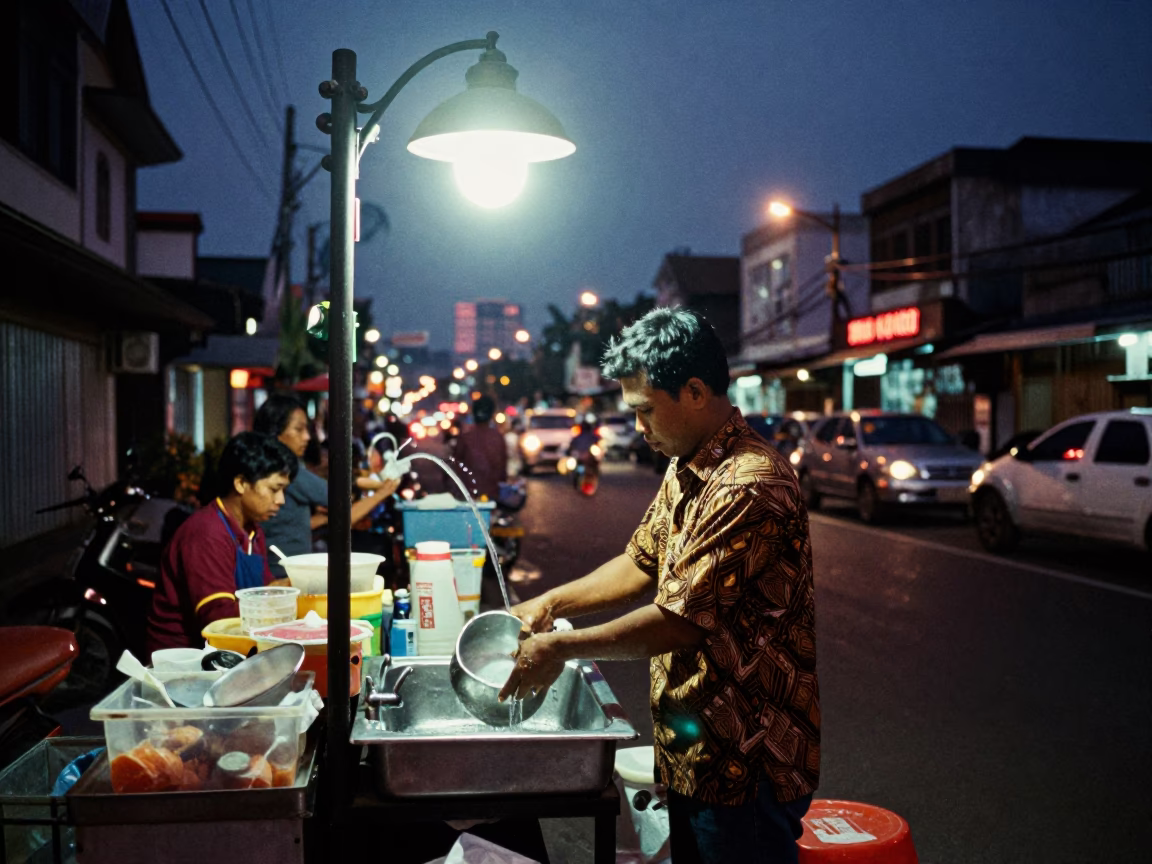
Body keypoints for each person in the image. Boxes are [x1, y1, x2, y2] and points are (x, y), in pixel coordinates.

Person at [498, 307, 820, 864]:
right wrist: (550, 602)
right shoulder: (687, 465)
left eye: (645, 410)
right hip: (698, 750)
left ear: (694, 392)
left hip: (747, 760)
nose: (639, 427)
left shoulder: (749, 482)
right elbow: (640, 563)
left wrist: (562, 647)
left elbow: (679, 620)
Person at [147, 432, 297, 652]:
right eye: (275, 489)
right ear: (241, 483)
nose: (281, 500)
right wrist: (279, 599)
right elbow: (218, 619)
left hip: (234, 649)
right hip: (184, 659)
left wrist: (289, 589)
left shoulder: (253, 531)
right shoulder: (207, 532)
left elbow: (262, 590)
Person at [254, 394, 400, 578]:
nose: (307, 437)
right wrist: (383, 491)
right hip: (283, 573)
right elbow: (341, 502)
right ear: (276, 432)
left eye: (307, 429)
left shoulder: (275, 465)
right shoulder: (285, 469)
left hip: (283, 567)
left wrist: (323, 518)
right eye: (298, 429)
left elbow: (289, 522)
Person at [451, 395, 508, 501]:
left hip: (469, 494)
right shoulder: (498, 437)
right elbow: (502, 471)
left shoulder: (465, 438)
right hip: (491, 494)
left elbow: (456, 467)